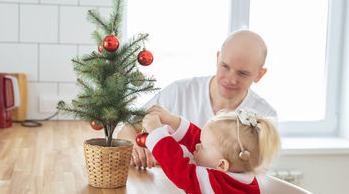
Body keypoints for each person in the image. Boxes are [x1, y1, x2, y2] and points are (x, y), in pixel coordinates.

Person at [117, 30, 276, 168]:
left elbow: (252, 178)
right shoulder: (179, 91)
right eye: (225, 66)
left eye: (242, 73)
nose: (230, 79)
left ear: (259, 75)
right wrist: (136, 149)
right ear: (217, 58)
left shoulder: (264, 116)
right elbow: (128, 129)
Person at [142, 105, 281, 194]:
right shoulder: (238, 172)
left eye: (202, 146)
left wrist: (156, 133)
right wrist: (172, 120)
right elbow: (198, 138)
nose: (197, 146)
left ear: (221, 165)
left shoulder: (222, 187)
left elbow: (178, 169)